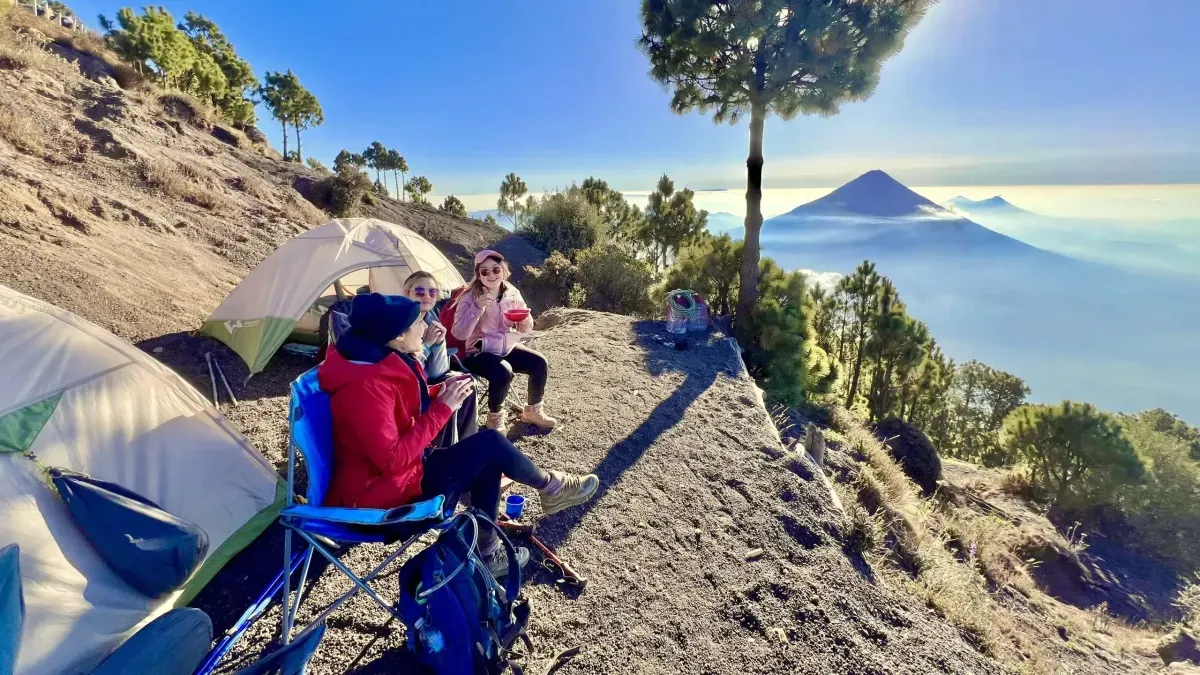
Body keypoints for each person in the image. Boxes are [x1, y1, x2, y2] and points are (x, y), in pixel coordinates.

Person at [319, 293, 599, 576]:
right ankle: (550, 488)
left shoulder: (376, 361)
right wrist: (443, 408)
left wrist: (438, 395)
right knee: (490, 445)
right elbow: (391, 459)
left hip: (397, 476)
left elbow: (395, 415)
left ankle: (491, 550)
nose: (425, 326)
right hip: (379, 499)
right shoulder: (365, 386)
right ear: (398, 336)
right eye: (418, 322)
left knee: (488, 455)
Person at [451, 250, 556, 435]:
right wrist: (478, 307)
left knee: (539, 362)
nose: (491, 275)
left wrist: (524, 318)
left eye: (496, 269)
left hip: (505, 346)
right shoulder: (470, 297)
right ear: (478, 275)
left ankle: (532, 411)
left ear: (503, 270)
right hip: (478, 352)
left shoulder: (511, 292)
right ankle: (494, 418)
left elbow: (526, 328)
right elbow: (459, 333)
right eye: (485, 271)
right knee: (503, 371)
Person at [402, 271, 476, 446]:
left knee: (466, 383)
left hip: (428, 380)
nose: (426, 296)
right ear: (407, 293)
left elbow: (438, 371)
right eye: (419, 291)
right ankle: (445, 450)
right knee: (448, 394)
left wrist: (439, 344)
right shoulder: (401, 323)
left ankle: (466, 444)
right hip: (407, 386)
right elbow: (404, 369)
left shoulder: (432, 320)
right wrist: (427, 345)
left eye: (432, 292)